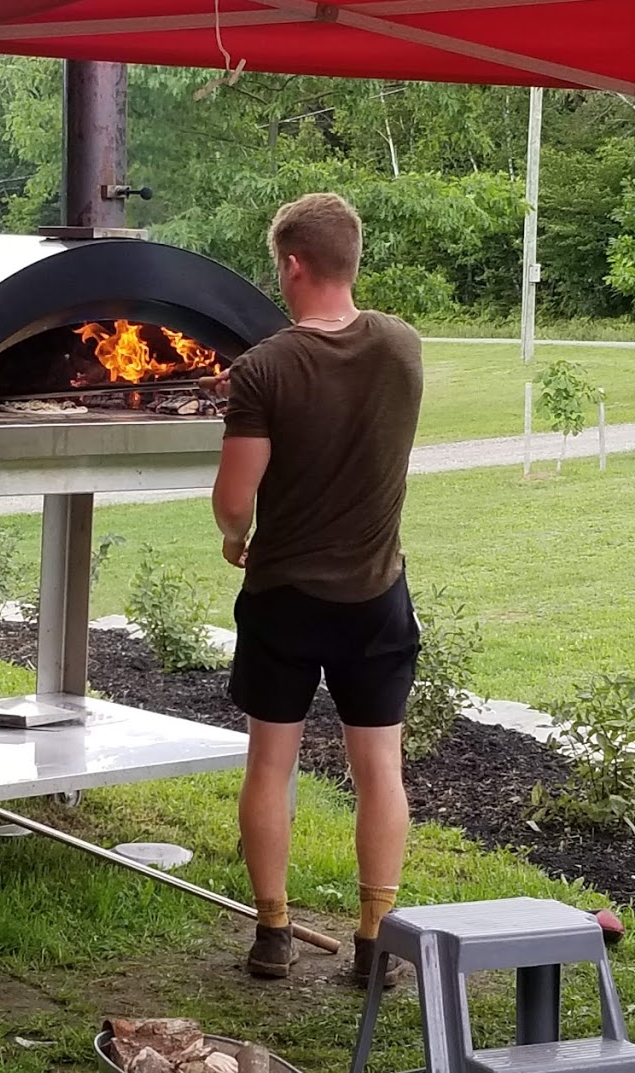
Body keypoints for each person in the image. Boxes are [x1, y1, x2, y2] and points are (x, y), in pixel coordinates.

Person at [211, 192, 423, 987]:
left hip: (285, 598)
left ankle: (273, 934)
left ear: (294, 264)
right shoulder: (404, 348)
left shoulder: (263, 369)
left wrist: (237, 537)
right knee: (380, 768)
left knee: (272, 762)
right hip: (377, 595)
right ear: (351, 259)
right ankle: (373, 941)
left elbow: (236, 500)